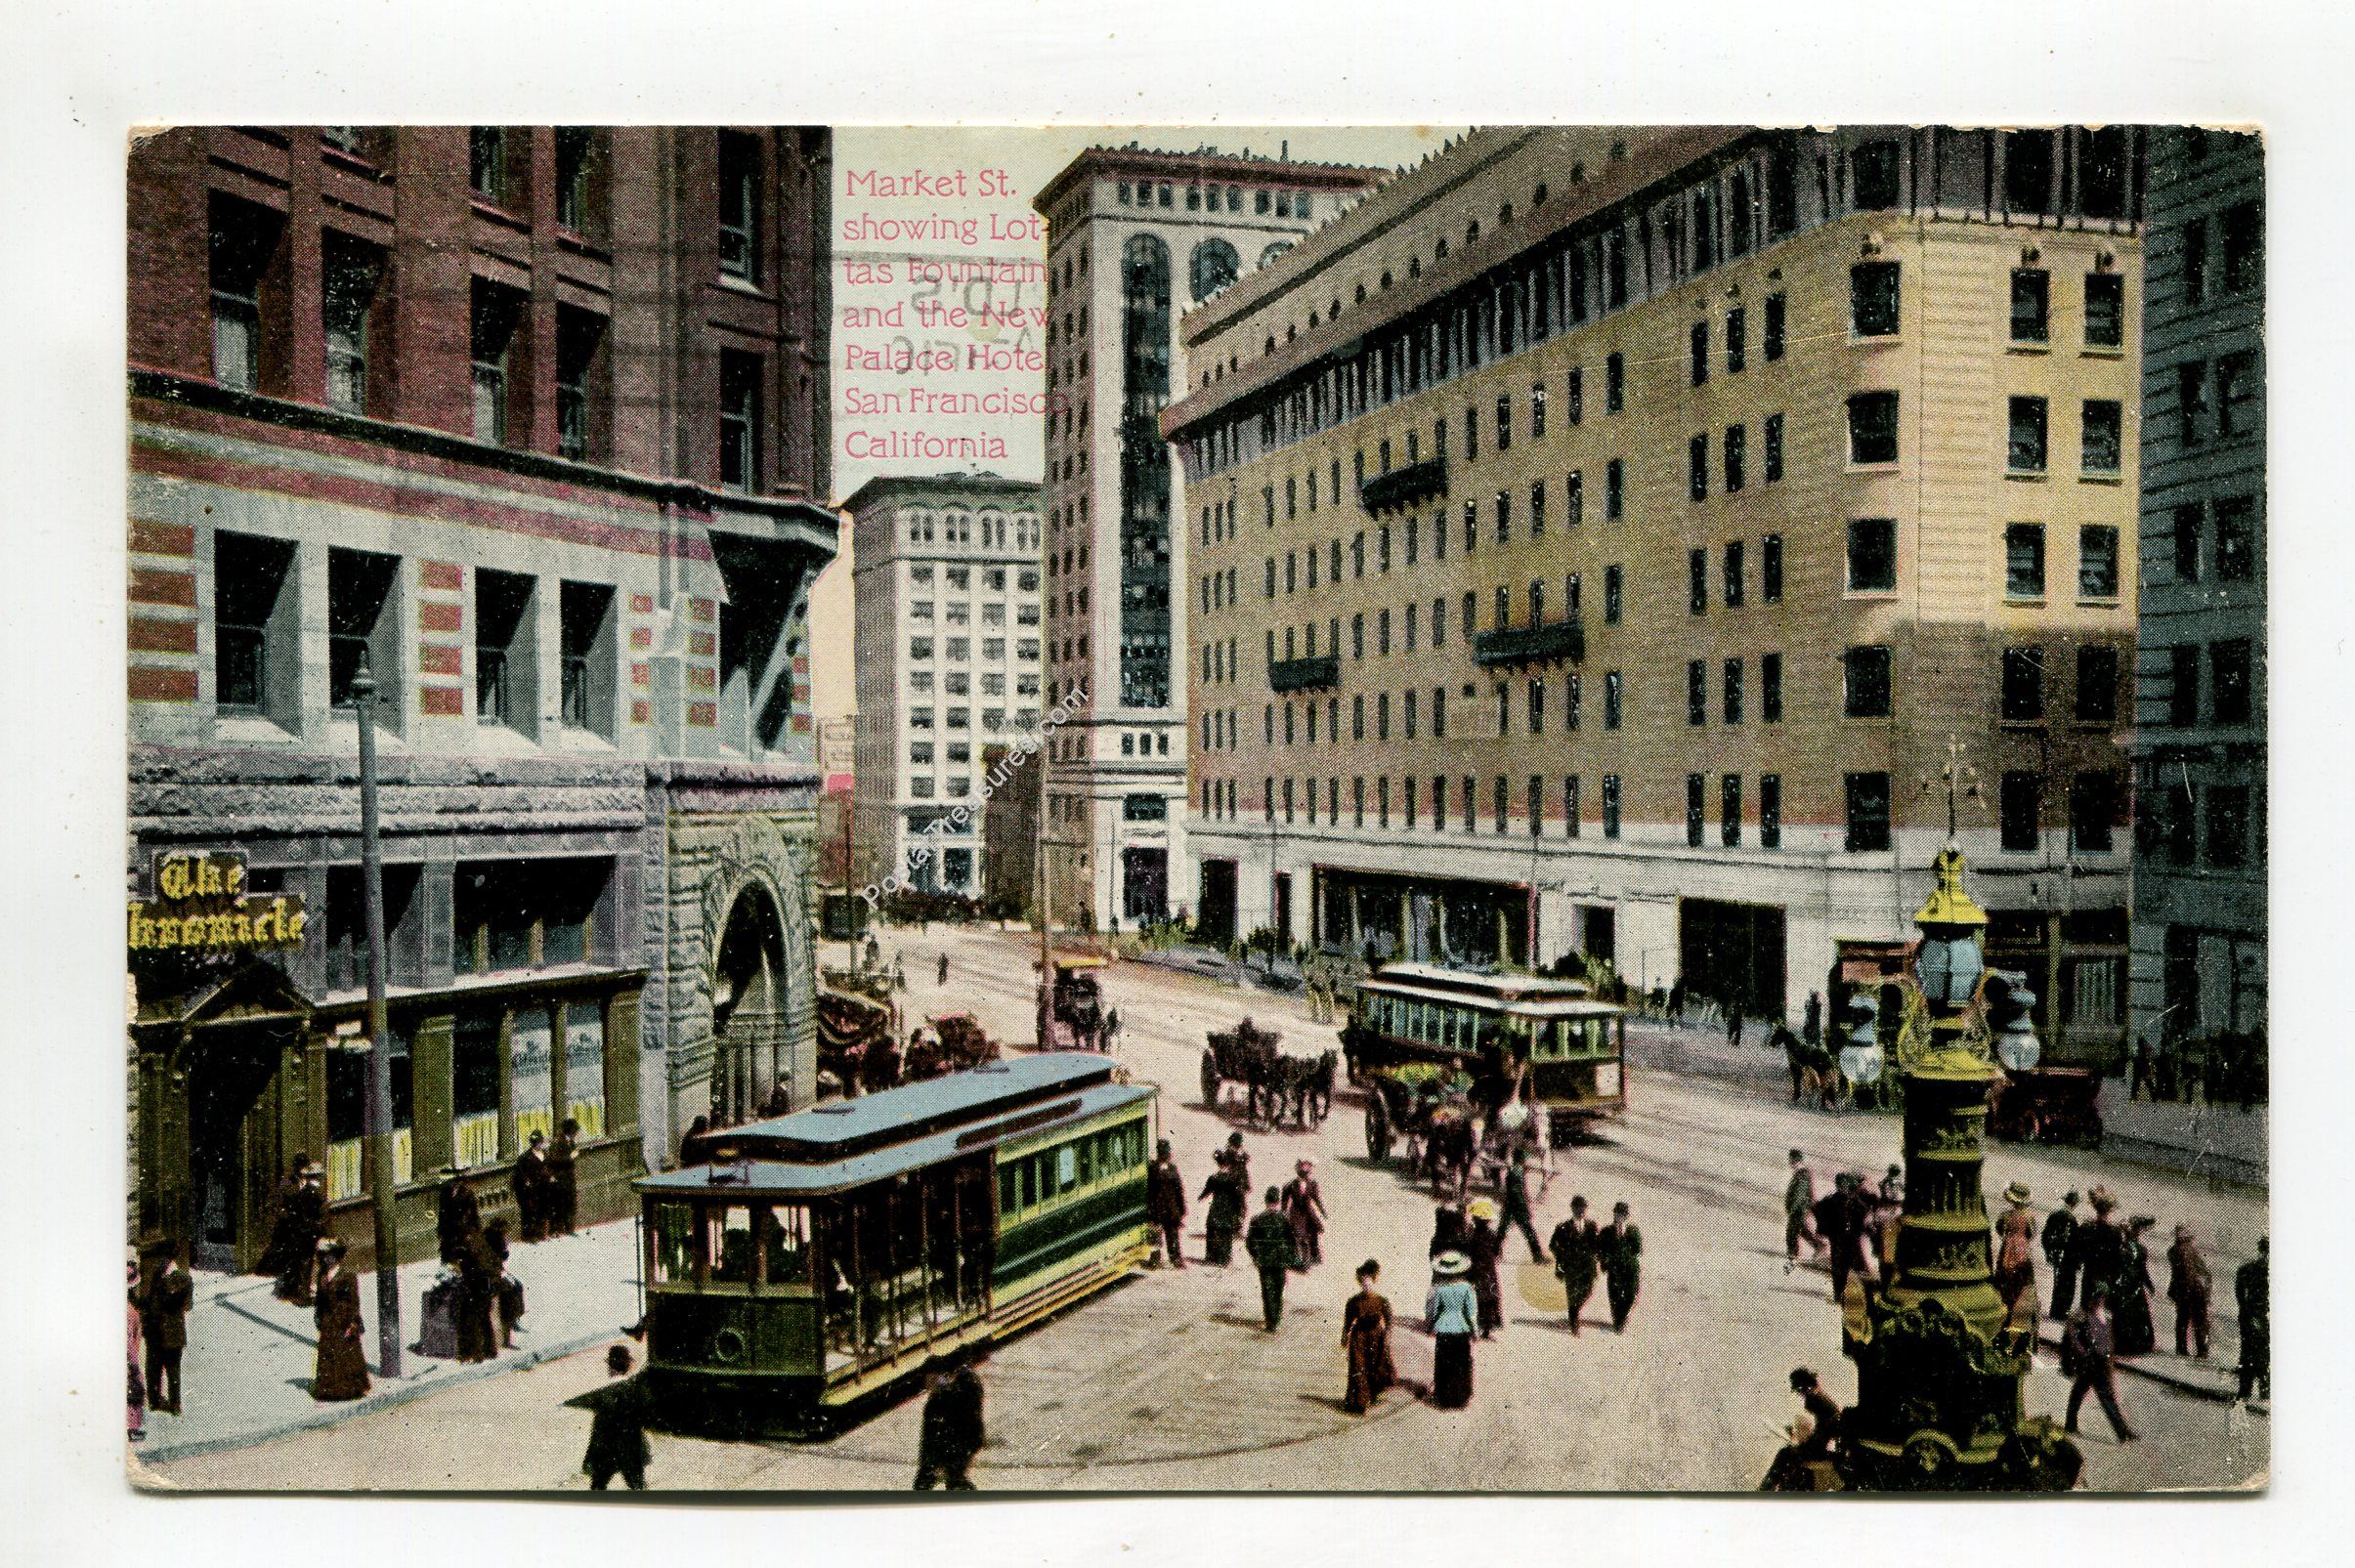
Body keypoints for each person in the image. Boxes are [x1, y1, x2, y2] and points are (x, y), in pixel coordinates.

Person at [2062, 1286, 2137, 1442]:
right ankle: (2122, 1432)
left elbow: (2109, 1341)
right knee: (2096, 1395)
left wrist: (2110, 1361)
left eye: (2101, 1298)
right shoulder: (2080, 1316)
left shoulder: (2105, 1315)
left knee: (2086, 1393)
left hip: (2101, 1362)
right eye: (2097, 1298)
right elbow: (2072, 1337)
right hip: (2090, 1361)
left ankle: (2122, 1431)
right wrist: (2082, 1353)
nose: (2099, 1301)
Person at [582, 1343, 655, 1490]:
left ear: (610, 1366)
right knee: (638, 1487)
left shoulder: (603, 1392)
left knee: (598, 1486)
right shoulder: (634, 1388)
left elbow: (599, 1427)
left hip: (607, 1447)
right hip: (630, 1446)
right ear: (628, 1365)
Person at [1761, 1368, 1844, 1491]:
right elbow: (1820, 1433)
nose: (1801, 1396)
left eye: (1802, 1391)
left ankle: (1765, 1490)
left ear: (1809, 1387)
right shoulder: (1821, 1399)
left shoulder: (1819, 1403)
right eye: (1799, 1392)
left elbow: (1821, 1440)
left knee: (1785, 1454)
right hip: (1825, 1449)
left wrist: (1800, 1444)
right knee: (1788, 1454)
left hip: (1824, 1452)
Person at [914, 1351, 988, 1490]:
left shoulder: (965, 1385)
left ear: (942, 1376)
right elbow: (928, 1437)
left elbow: (967, 1420)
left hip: (962, 1443)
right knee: (950, 1481)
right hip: (950, 1446)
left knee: (955, 1481)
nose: (927, 1384)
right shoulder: (937, 1399)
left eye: (930, 1378)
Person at [311, 1239, 371, 1401]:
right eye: (323, 1256)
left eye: (330, 1256)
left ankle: (350, 1389)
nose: (326, 1259)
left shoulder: (347, 1276)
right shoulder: (322, 1277)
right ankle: (329, 1389)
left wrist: (352, 1322)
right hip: (329, 1321)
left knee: (346, 1353)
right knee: (329, 1353)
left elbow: (353, 1301)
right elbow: (320, 1301)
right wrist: (319, 1317)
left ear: (337, 1257)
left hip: (343, 1318)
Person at [137, 1244, 193, 1417]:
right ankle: (154, 1400)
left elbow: (182, 1303)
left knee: (172, 1370)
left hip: (172, 1334)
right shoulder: (158, 1276)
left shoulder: (182, 1278)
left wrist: (165, 1280)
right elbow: (152, 1302)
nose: (160, 1261)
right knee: (153, 1368)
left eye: (163, 1258)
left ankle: (175, 1404)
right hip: (155, 1333)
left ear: (170, 1259)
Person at [1425, 1251, 1480, 1409]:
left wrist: (1430, 1327)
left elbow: (1433, 1311)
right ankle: (1461, 1397)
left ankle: (1444, 1397)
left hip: (1443, 1329)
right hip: (1461, 1329)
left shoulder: (1438, 1288)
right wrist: (1475, 1332)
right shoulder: (1467, 1288)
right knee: (1461, 1363)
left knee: (1444, 1363)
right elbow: (1471, 1312)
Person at [1342, 1260, 1397, 1414]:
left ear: (1374, 1282)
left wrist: (1387, 1337)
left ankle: (1371, 1395)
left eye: (1369, 1283)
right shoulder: (1353, 1301)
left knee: (1374, 1367)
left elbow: (1389, 1321)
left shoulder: (1382, 1301)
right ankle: (1359, 1403)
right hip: (1358, 1337)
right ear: (1360, 1283)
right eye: (1363, 1283)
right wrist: (1345, 1336)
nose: (1366, 1286)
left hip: (1376, 1337)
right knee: (1358, 1367)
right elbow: (1347, 1321)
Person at [269, 1161, 326, 1305]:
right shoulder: (316, 1194)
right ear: (317, 1178)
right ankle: (309, 1293)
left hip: (300, 1233)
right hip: (312, 1233)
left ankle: (303, 1292)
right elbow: (317, 1216)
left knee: (303, 1263)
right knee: (314, 1263)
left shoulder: (301, 1192)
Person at [1246, 1186, 1302, 1330]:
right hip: (1280, 1261)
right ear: (1277, 1202)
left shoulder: (1257, 1219)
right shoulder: (1284, 1219)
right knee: (1278, 1289)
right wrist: (1290, 1258)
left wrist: (1256, 1256)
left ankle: (1270, 1320)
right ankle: (1275, 1319)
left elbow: (1250, 1241)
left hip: (1264, 1261)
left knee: (1267, 1290)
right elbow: (1292, 1241)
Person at [1812, 1172, 1869, 1304]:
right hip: (1843, 1239)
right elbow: (1864, 1214)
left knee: (1842, 1267)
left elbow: (1817, 1208)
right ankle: (1842, 1295)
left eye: (1843, 1185)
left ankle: (1842, 1295)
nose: (1842, 1187)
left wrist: (1824, 1229)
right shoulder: (1849, 1200)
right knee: (1844, 1267)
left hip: (1843, 1239)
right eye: (1841, 1185)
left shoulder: (1835, 1200)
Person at [1549, 1196, 1600, 1334]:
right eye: (1578, 1207)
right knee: (1572, 1294)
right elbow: (1553, 1245)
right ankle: (1574, 1323)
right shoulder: (1563, 1226)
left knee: (1587, 1290)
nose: (1581, 1210)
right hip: (1570, 1266)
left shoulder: (1591, 1225)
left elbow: (1597, 1244)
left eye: (1583, 1207)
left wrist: (1595, 1254)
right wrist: (1564, 1255)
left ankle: (1574, 1311)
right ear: (1572, 1209)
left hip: (1587, 1266)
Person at [2110, 1215, 2159, 1357]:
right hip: (2135, 1285)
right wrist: (2149, 1285)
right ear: (2138, 1233)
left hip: (2122, 1285)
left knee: (2122, 1315)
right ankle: (2139, 1346)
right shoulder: (2141, 1249)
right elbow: (2142, 1270)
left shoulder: (2120, 1248)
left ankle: (2122, 1345)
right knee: (2139, 1315)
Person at [1992, 1181, 2039, 1324]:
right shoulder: (2030, 1217)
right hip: (2022, 1248)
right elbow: (2032, 1233)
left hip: (2008, 1246)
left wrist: (2008, 1237)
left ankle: (2004, 1303)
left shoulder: (2006, 1215)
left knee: (2004, 1273)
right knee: (2023, 1276)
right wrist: (2022, 1240)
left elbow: (1999, 1229)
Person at [453, 1228, 500, 1364]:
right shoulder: (479, 1241)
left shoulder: (468, 1246)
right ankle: (490, 1351)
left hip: (478, 1285)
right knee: (484, 1317)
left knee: (470, 1318)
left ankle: (474, 1354)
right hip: (488, 1284)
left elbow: (475, 1268)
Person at [2165, 1224, 2212, 1359]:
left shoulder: (2172, 1251)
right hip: (2194, 1291)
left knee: (2182, 1319)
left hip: (2180, 1290)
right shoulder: (2190, 1251)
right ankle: (2202, 1351)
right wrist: (2205, 1292)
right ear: (2189, 1239)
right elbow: (2198, 1272)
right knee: (2200, 1322)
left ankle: (2181, 1348)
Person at [1464, 1200, 1505, 1339]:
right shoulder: (1492, 1235)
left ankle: (1474, 1327)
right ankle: (1487, 1329)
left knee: (1476, 1299)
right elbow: (1498, 1252)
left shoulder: (1472, 1236)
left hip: (1475, 1271)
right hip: (1489, 1272)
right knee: (1490, 1299)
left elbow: (1467, 1253)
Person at [1599, 1201, 1643, 1332]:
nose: (1619, 1217)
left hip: (1631, 1269)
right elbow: (1600, 1250)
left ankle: (1621, 1318)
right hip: (1614, 1269)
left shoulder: (1633, 1231)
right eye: (1617, 1214)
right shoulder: (1606, 1231)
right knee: (1614, 1296)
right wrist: (1604, 1264)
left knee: (1630, 1295)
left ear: (1627, 1216)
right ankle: (1618, 1322)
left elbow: (1637, 1249)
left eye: (1622, 1214)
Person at [2235, 1237, 2269, 1403]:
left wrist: (2244, 1310)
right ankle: (2264, 1391)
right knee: (2264, 1355)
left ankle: (2245, 1391)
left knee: (2248, 1354)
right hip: (2263, 1317)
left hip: (2251, 1316)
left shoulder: (2246, 1269)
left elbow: (2240, 1292)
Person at [485, 1219, 526, 1349]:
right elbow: (495, 1263)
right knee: (509, 1293)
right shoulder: (493, 1243)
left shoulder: (495, 1241)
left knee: (517, 1285)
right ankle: (510, 1327)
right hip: (489, 1278)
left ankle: (515, 1318)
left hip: (496, 1273)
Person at [1145, 1139, 1187, 1268]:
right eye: (1164, 1153)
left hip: (1170, 1208)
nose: (1166, 1155)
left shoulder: (1172, 1168)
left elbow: (1179, 1189)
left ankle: (1175, 1259)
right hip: (1158, 1208)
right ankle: (1155, 1260)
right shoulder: (1152, 1169)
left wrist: (1181, 1208)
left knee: (1172, 1235)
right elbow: (1149, 1190)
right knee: (1156, 1236)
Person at [1499, 1149, 1545, 1263]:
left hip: (1510, 1205)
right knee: (1529, 1230)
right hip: (1517, 1206)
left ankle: (1494, 1253)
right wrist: (1525, 1208)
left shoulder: (1514, 1170)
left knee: (1502, 1230)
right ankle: (1538, 1256)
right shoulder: (1518, 1172)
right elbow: (1517, 1193)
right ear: (1522, 1160)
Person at [1282, 1160, 1329, 1268]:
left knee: (1314, 1233)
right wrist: (1284, 1213)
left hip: (1309, 1213)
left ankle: (1315, 1255)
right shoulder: (1291, 1185)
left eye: (1308, 1171)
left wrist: (1323, 1211)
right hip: (1297, 1213)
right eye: (1303, 1170)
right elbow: (1285, 1202)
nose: (1307, 1173)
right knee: (1301, 1236)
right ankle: (1304, 1260)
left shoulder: (1312, 1184)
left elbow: (1317, 1199)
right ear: (1298, 1171)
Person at [1200, 1158, 1246, 1267]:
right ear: (1228, 1165)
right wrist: (1239, 1210)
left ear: (1219, 1164)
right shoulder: (1234, 1178)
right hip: (1228, 1208)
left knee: (1213, 1230)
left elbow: (1206, 1191)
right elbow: (1239, 1195)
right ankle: (1224, 1258)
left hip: (1216, 1207)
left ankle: (1211, 1257)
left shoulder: (1214, 1177)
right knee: (1226, 1233)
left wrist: (1201, 1197)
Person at [1782, 1150, 1823, 1268]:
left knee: (1792, 1230)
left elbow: (1800, 1195)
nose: (1791, 1163)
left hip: (1799, 1207)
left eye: (1792, 1161)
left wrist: (1794, 1208)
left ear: (1796, 1161)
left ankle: (1793, 1255)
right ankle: (1818, 1246)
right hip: (1801, 1207)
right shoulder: (1801, 1173)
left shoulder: (1802, 1174)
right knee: (1801, 1229)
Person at [2045, 1190, 2082, 1319]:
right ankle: (2061, 1313)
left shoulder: (2055, 1214)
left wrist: (2048, 1252)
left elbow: (2045, 1235)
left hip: (2055, 1253)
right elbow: (2075, 1241)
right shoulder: (2071, 1219)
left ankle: (2054, 1311)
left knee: (2058, 1283)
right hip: (2068, 1257)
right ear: (2074, 1203)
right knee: (2067, 1285)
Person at [437, 1169, 484, 1266]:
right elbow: (442, 1213)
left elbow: (474, 1213)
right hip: (449, 1227)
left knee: (465, 1251)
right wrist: (440, 1228)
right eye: (451, 1184)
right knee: (447, 1252)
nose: (453, 1186)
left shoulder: (467, 1194)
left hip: (463, 1228)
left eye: (455, 1184)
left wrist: (477, 1229)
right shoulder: (445, 1193)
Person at [513, 1130, 552, 1241]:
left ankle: (543, 1233)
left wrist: (550, 1176)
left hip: (544, 1187)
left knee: (544, 1209)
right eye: (536, 1142)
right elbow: (520, 1172)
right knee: (532, 1211)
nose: (539, 1144)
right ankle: (530, 1235)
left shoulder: (545, 1154)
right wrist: (527, 1181)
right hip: (533, 1189)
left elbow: (549, 1167)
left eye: (540, 1142)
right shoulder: (526, 1157)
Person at [546, 1118, 581, 1237]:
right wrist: (570, 1157)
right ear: (571, 1131)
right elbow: (554, 1158)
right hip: (560, 1179)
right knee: (558, 1204)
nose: (576, 1134)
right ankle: (555, 1230)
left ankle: (569, 1228)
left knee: (570, 1203)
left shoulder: (570, 1142)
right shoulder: (558, 1142)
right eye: (575, 1131)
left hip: (569, 1179)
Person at [126, 1255, 147, 1443]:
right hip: (127, 1357)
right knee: (134, 1391)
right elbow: (128, 1340)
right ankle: (132, 1428)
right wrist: (132, 1363)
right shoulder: (129, 1311)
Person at [2130, 1035, 2156, 1102]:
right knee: (2147, 1081)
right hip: (2143, 1064)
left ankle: (2134, 1096)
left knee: (2137, 1082)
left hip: (2139, 1064)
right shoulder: (2144, 1046)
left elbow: (2150, 1050)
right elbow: (2151, 1050)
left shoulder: (2139, 1048)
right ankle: (2153, 1096)